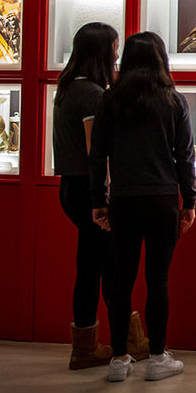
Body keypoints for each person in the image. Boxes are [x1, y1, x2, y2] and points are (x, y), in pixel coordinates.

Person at [88, 32, 196, 382]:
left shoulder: (110, 101)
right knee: (158, 279)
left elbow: (97, 156)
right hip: (163, 198)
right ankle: (157, 357)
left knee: (121, 280)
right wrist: (190, 200)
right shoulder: (173, 101)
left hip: (124, 199)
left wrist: (98, 200)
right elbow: (185, 157)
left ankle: (119, 359)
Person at [53, 22, 152, 369]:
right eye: (113, 48)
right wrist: (104, 197)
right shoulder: (93, 94)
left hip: (71, 187)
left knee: (91, 265)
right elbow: (98, 152)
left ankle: (88, 342)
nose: (116, 56)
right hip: (88, 190)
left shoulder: (67, 88)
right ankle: (125, 340)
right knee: (110, 267)